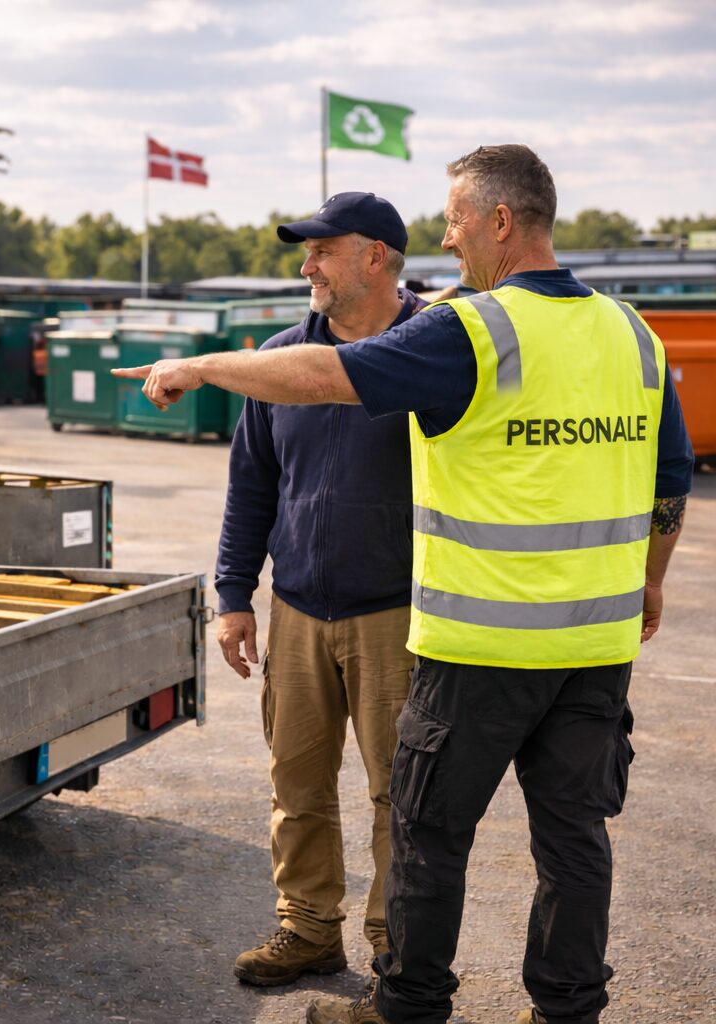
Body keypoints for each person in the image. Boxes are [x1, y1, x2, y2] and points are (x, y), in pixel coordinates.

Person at [113, 144, 694, 1024]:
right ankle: (567, 1014)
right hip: (594, 649)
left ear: (502, 221)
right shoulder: (634, 335)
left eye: (458, 219)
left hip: (480, 644)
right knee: (574, 846)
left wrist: (200, 366)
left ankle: (405, 1007)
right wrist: (648, 585)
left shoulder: (471, 330)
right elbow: (670, 484)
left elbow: (327, 377)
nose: (450, 240)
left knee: (425, 832)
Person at [218, 193, 425, 987]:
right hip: (299, 608)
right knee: (297, 786)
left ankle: (392, 948)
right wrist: (235, 595)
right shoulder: (278, 360)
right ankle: (307, 931)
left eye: (322, 251)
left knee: (396, 798)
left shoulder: (429, 353)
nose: (307, 267)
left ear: (375, 257)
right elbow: (251, 486)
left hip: (398, 615)